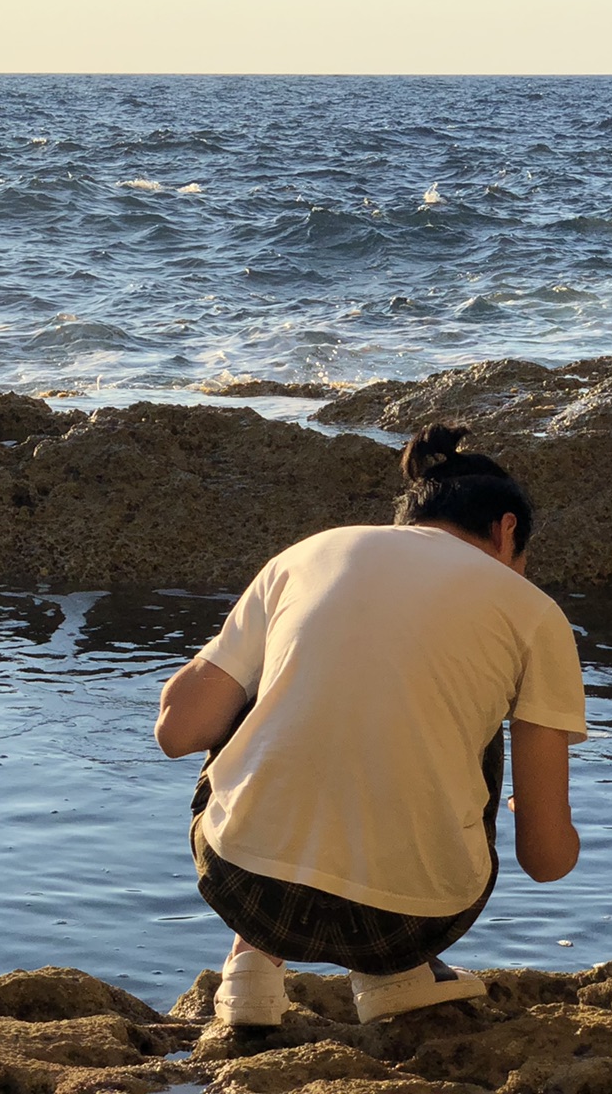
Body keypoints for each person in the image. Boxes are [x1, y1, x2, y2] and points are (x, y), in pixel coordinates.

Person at [155, 424, 586, 1026]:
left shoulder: (307, 555)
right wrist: (523, 808)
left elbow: (178, 733)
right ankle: (401, 975)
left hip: (249, 891)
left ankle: (251, 966)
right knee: (462, 710)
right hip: (412, 921)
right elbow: (546, 860)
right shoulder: (535, 614)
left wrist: (232, 662)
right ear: (507, 527)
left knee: (269, 691)